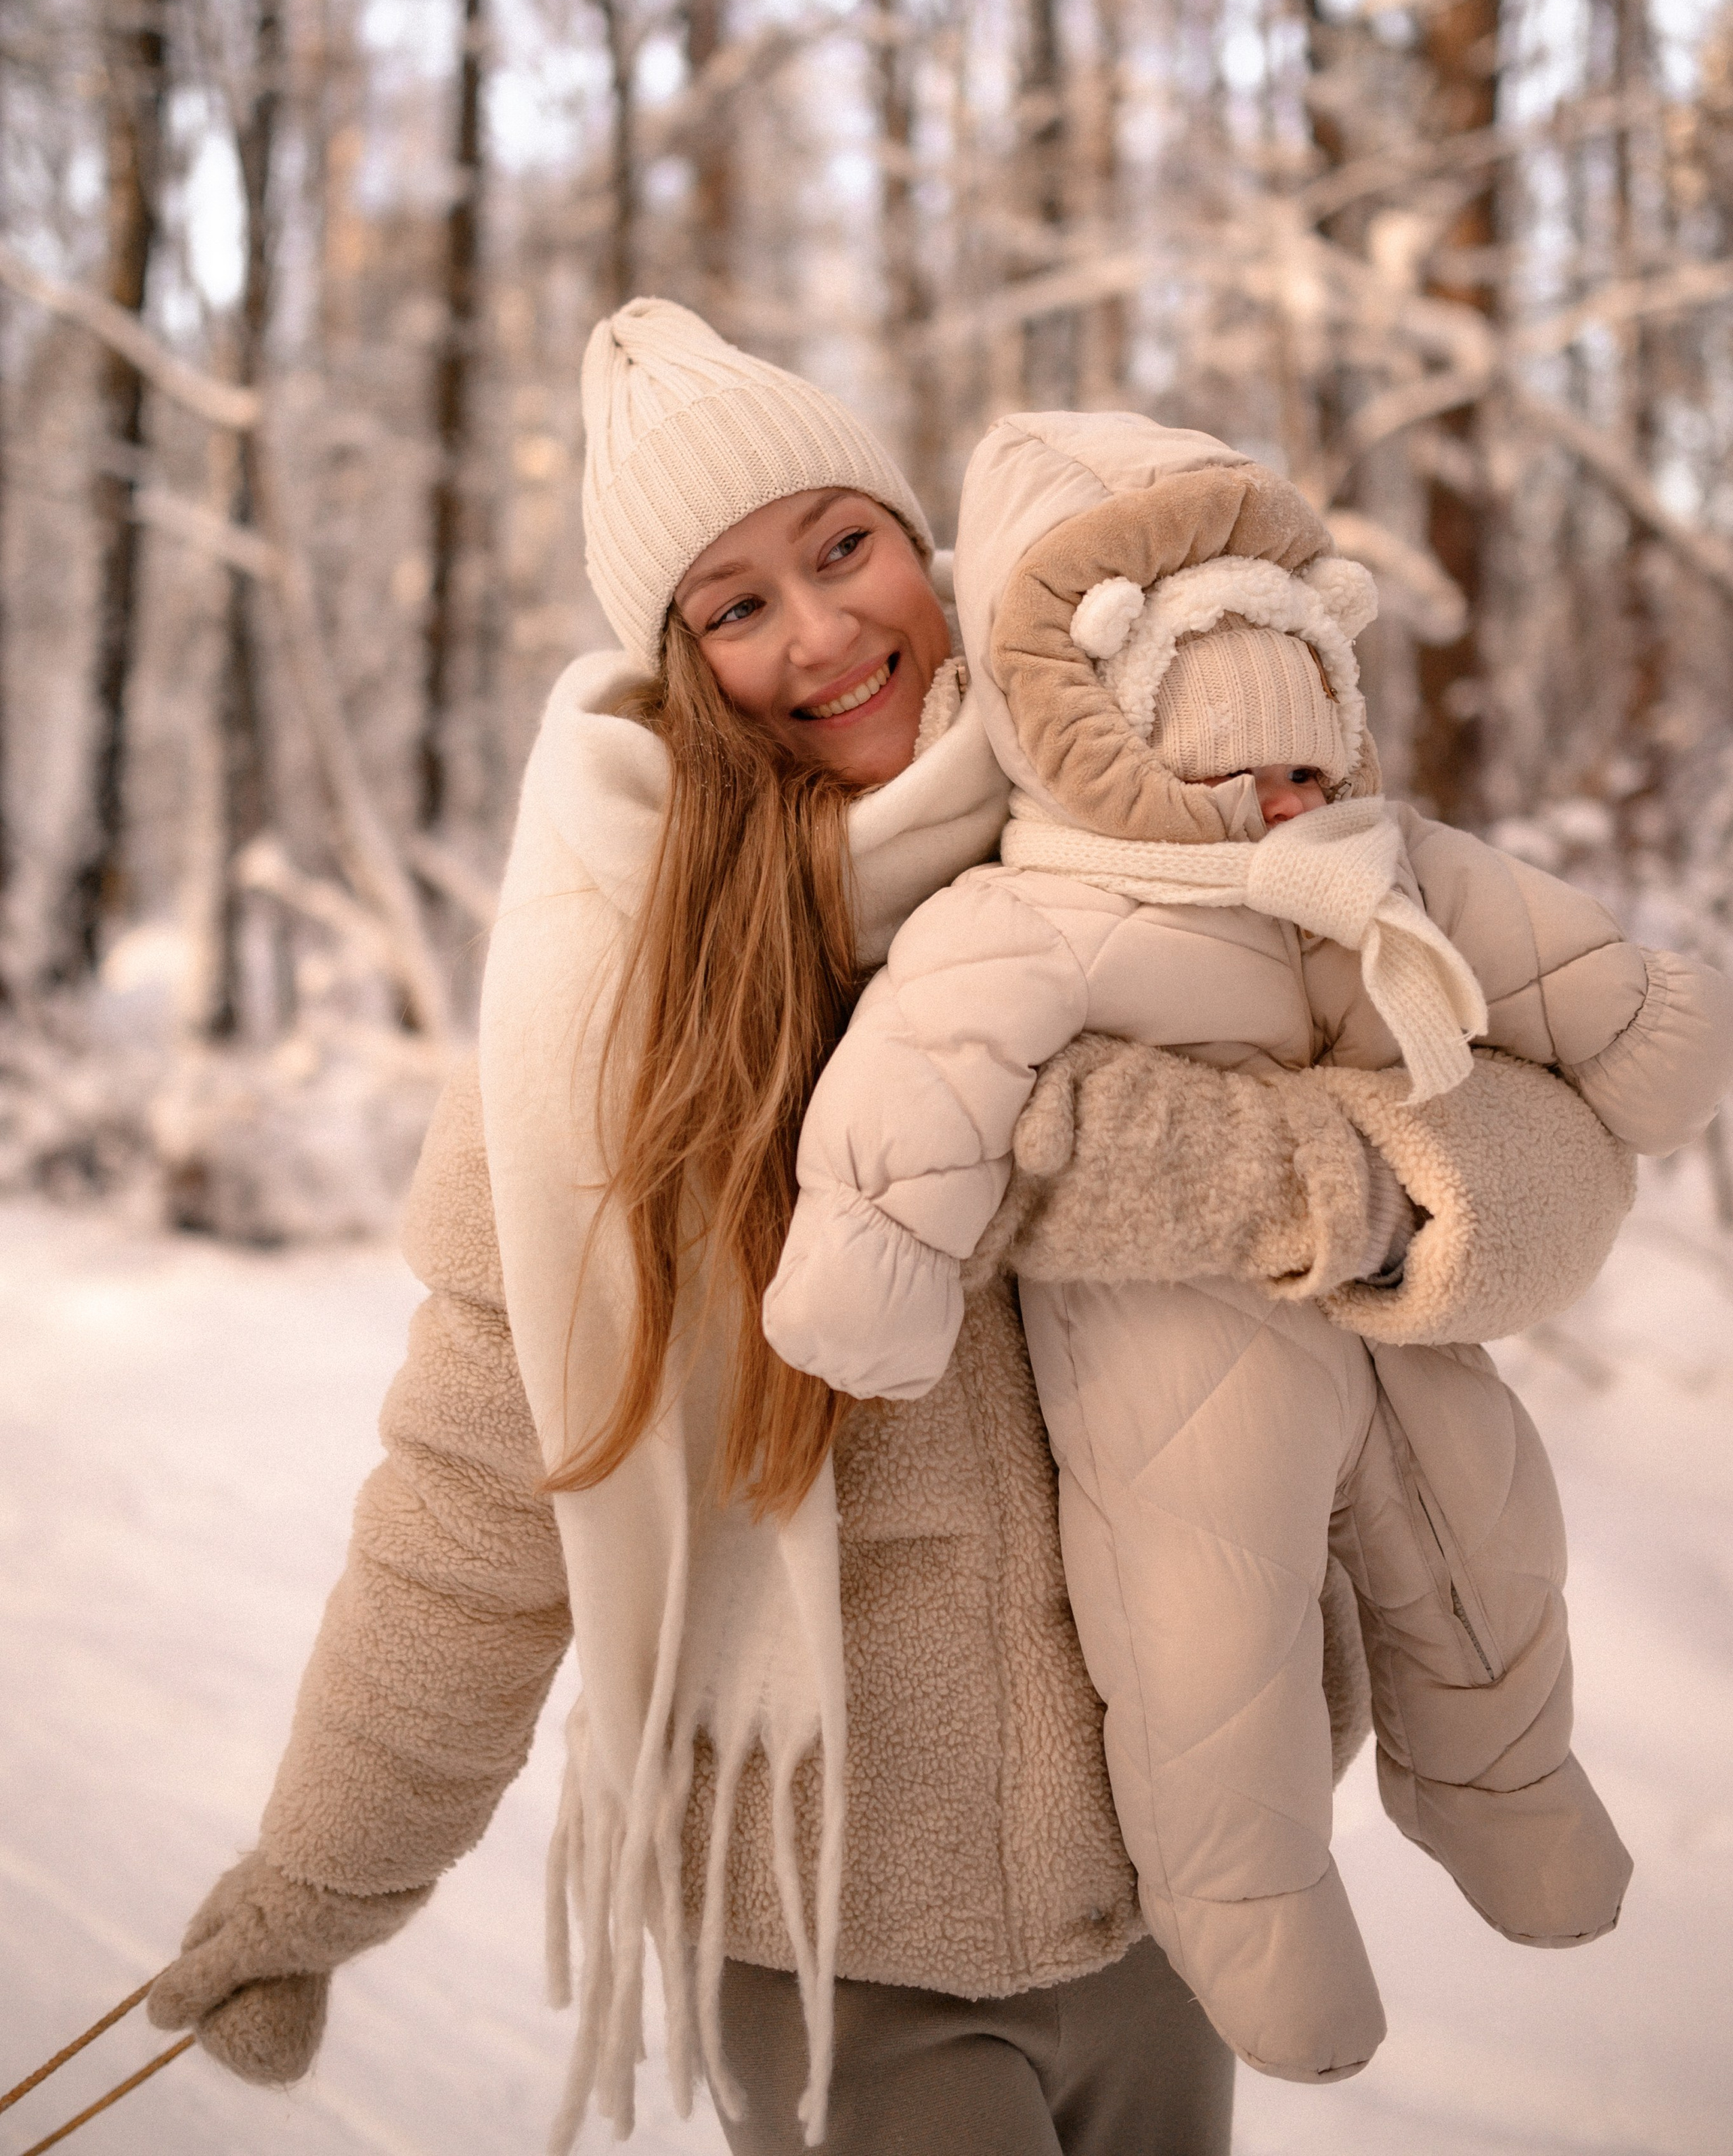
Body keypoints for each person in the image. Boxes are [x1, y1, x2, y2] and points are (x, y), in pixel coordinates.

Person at [147, 307, 1645, 2156]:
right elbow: (477, 1498)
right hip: (841, 1934)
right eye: (736, 603)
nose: (822, 631)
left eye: (842, 546)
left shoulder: (1159, 807)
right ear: (682, 665)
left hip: (1187, 1886)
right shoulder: (615, 1001)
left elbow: (1563, 1170)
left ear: (918, 544)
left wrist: (1297, 1181)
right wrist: (318, 1881)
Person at [762, 411, 1733, 2089]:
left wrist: (1640, 1024)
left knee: (1489, 1542)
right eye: (1241, 772)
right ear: (1108, 730)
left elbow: (1549, 963)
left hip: (1396, 1329)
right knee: (1211, 1645)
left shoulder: (1366, 863)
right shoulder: (1026, 905)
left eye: (1307, 762)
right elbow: (919, 1082)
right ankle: (1256, 1918)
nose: (1280, 800)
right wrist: (869, 1261)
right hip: (1170, 1357)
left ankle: (1509, 1795)